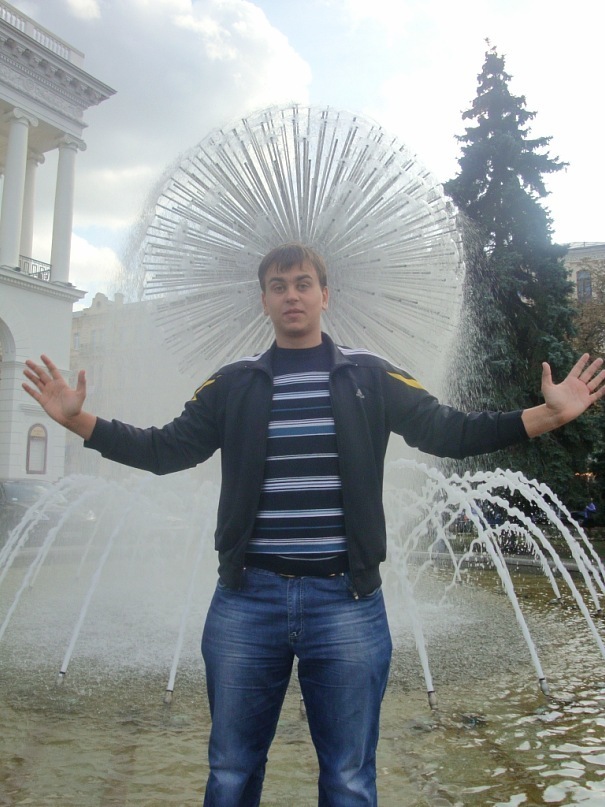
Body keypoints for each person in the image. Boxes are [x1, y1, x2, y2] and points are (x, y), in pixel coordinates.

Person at [22, 243, 605, 806]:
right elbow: (164, 449)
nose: (291, 296)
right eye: (278, 287)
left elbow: (450, 431)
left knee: (349, 777)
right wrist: (80, 422)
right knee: (231, 770)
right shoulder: (232, 384)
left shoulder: (371, 377)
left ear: (325, 295)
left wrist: (547, 415)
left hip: (346, 602)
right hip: (247, 601)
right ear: (264, 301)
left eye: (303, 284)